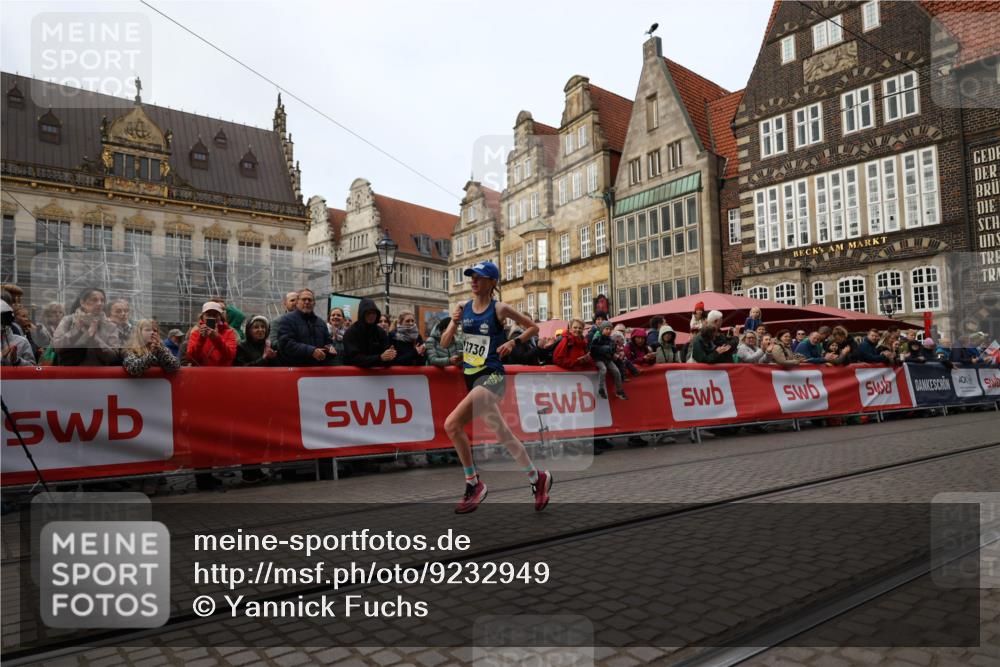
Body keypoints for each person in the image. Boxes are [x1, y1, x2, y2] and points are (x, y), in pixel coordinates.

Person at [439, 261, 551, 514]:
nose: (473, 281)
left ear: (492, 282)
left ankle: (473, 483)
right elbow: (445, 343)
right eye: (471, 277)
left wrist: (513, 343)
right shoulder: (462, 308)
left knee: (451, 424)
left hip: (492, 377)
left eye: (479, 277)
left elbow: (534, 327)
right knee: (503, 434)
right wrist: (454, 323)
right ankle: (537, 477)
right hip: (471, 377)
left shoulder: (499, 309)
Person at [51, 287, 122, 366]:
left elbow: (113, 357)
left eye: (102, 300)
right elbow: (56, 347)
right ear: (82, 303)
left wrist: (94, 339)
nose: (99, 303)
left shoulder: (110, 326)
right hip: (70, 375)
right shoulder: (68, 320)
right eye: (94, 300)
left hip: (99, 376)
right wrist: (76, 330)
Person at [275, 288, 337, 366]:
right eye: (304, 299)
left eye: (310, 300)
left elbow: (328, 342)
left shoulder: (321, 322)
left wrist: (330, 349)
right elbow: (286, 344)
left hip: (317, 370)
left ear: (314, 303)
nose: (307, 302)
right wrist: (311, 351)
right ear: (297, 302)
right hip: (296, 371)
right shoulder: (286, 319)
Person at [343, 298, 396, 367]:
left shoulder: (380, 332)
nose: (371, 315)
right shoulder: (351, 332)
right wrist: (379, 358)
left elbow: (386, 355)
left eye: (374, 313)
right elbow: (354, 358)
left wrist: (390, 354)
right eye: (368, 313)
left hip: (378, 375)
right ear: (362, 314)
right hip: (355, 375)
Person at [184, 301, 238, 367]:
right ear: (202, 317)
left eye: (215, 315)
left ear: (220, 317)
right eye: (208, 315)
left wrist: (217, 338)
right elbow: (190, 358)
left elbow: (231, 356)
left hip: (222, 374)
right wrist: (201, 339)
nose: (212, 318)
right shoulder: (196, 333)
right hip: (202, 374)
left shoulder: (229, 333)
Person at [589, 321, 626, 400]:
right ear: (602, 330)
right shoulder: (597, 338)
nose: (608, 331)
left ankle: (619, 390)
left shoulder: (611, 340)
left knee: (616, 371)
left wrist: (613, 353)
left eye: (610, 329)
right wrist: (603, 349)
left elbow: (612, 350)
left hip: (607, 359)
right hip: (598, 359)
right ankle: (601, 388)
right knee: (603, 369)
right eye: (606, 329)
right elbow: (593, 350)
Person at [1, 301, 35, 366]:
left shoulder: (22, 342)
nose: (27, 319)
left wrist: (17, 360)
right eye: (23, 316)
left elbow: (32, 367)